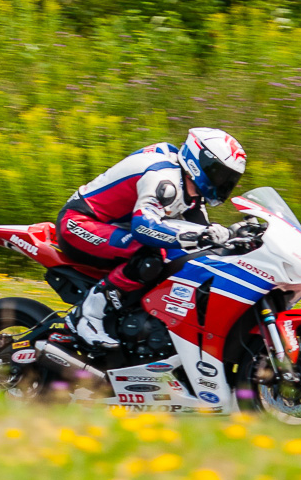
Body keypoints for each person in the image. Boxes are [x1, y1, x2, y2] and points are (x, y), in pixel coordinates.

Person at [58, 127, 247, 348]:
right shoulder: (164, 178)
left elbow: (204, 237)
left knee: (184, 259)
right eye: (220, 174)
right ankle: (86, 316)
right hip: (79, 223)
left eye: (230, 178)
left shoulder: (192, 192)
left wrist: (234, 237)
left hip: (112, 228)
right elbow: (143, 227)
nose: (224, 183)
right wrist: (196, 236)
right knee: (148, 256)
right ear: (200, 162)